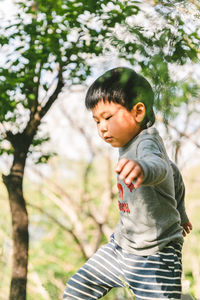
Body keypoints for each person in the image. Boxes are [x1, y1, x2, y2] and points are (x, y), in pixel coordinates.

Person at [63, 67, 192, 300]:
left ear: (138, 111)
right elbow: (173, 172)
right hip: (121, 247)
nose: (102, 127)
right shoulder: (127, 145)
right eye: (97, 121)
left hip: (157, 256)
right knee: (78, 287)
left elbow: (160, 167)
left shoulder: (147, 143)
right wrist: (181, 212)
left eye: (108, 117)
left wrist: (143, 168)